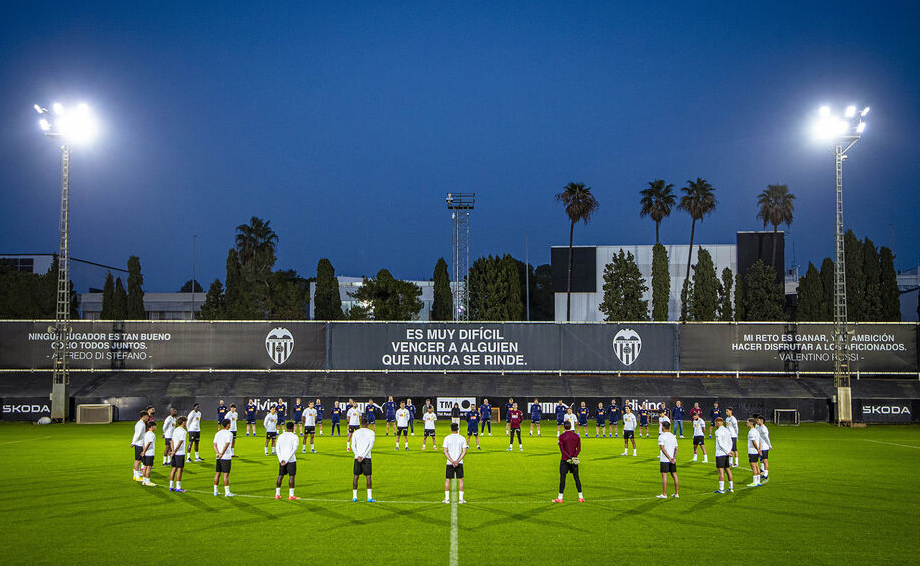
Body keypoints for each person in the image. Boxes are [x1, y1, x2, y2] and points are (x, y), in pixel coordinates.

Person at [553, 421, 584, 503]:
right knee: (576, 478)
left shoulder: (562, 436)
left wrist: (568, 457)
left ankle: (560, 498)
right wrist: (574, 456)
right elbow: (579, 449)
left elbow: (562, 450)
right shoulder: (576, 436)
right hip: (574, 460)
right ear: (570, 427)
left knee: (563, 478)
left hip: (564, 460)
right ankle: (581, 497)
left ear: (564, 427)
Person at [443, 423, 468, 504]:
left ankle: (446, 499)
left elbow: (445, 451)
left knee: (447, 480)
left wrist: (451, 461)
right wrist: (457, 461)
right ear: (458, 429)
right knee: (460, 480)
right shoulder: (462, 438)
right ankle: (461, 499)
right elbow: (464, 452)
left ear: (451, 429)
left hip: (449, 463)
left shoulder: (447, 438)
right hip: (459, 463)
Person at [351, 419, 376, 502]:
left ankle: (354, 497)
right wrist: (363, 456)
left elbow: (352, 446)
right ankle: (369, 497)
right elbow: (370, 446)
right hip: (367, 458)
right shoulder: (371, 433)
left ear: (361, 424)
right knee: (368, 476)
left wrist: (358, 455)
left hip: (357, 458)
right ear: (367, 424)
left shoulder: (356, 432)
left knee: (356, 476)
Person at [276, 422, 300, 500]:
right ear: (293, 428)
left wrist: (281, 459)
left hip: (282, 459)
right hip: (291, 460)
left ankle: (277, 494)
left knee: (280, 476)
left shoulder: (281, 436)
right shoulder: (295, 437)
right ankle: (291, 495)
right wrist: (287, 459)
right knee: (291, 476)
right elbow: (294, 449)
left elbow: (277, 448)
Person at [656, 421, 679, 498]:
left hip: (664, 459)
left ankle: (664, 494)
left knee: (664, 476)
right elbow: (676, 448)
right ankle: (676, 493)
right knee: (674, 475)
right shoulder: (673, 436)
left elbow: (662, 448)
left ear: (663, 427)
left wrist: (669, 458)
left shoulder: (661, 436)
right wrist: (673, 458)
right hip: (672, 460)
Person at [213, 419, 235, 497]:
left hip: (218, 457)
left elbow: (214, 444)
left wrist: (217, 453)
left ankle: (215, 491)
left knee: (217, 473)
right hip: (226, 457)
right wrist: (222, 453)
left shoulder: (218, 433)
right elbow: (227, 444)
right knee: (226, 475)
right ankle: (227, 492)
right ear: (228, 425)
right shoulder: (229, 434)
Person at [713, 417, 734, 493]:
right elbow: (730, 442)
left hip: (720, 453)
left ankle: (721, 489)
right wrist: (729, 451)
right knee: (728, 470)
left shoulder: (717, 432)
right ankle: (731, 488)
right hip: (726, 453)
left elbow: (720, 443)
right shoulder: (727, 430)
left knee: (721, 471)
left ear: (717, 423)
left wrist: (726, 452)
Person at [168, 416, 187, 492]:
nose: (186, 423)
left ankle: (171, 486)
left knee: (173, 469)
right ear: (183, 422)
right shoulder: (183, 431)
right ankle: (178, 487)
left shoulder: (175, 430)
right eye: (185, 422)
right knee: (179, 470)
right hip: (180, 453)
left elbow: (171, 441)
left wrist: (172, 450)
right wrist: (175, 451)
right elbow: (180, 442)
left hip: (174, 453)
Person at [746, 418, 763, 487]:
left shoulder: (751, 432)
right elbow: (759, 441)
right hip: (756, 451)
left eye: (747, 422)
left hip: (752, 451)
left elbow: (753, 442)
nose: (746, 424)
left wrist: (758, 449)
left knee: (753, 466)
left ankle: (754, 482)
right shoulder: (756, 431)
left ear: (751, 423)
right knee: (756, 465)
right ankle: (758, 481)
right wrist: (759, 449)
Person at [139, 420, 157, 487]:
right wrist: (144, 451)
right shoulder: (152, 434)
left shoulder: (146, 434)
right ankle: (148, 481)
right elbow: (149, 443)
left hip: (145, 453)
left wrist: (144, 451)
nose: (156, 428)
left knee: (145, 467)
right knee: (149, 467)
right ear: (152, 427)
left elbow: (144, 443)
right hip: (150, 453)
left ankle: (144, 481)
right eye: (155, 426)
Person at [755, 414, 772, 481]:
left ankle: (766, 474)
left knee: (765, 460)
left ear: (761, 421)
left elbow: (766, 438)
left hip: (764, 447)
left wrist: (769, 445)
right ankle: (763, 471)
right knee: (761, 459)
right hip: (760, 446)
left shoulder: (764, 429)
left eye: (758, 420)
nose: (757, 421)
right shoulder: (758, 427)